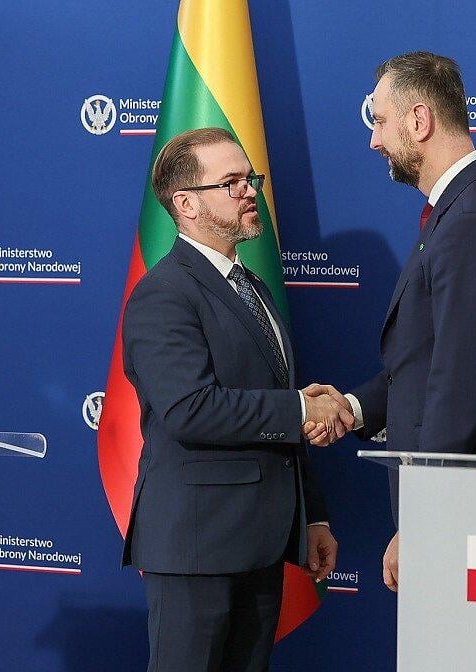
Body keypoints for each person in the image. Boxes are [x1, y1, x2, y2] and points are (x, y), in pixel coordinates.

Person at [307, 52, 476, 592]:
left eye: (380, 122)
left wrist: (424, 515)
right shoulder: (465, 209)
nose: (374, 140)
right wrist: (352, 408)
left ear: (419, 120)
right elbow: (427, 360)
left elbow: (458, 385)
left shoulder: (472, 221)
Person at [121, 127, 345, 672]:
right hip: (197, 548)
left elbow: (277, 408)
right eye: (232, 182)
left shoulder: (254, 289)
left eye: (251, 178)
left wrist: (313, 516)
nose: (250, 191)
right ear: (187, 204)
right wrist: (301, 409)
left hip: (262, 545)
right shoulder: (163, 294)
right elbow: (190, 409)